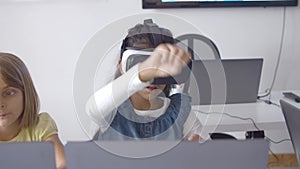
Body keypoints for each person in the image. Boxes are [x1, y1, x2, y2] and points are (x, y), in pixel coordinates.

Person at [86, 19, 201, 141]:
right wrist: (143, 72)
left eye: (161, 68)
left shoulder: (180, 113)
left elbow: (208, 149)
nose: (152, 78)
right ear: (121, 66)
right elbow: (93, 108)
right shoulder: (111, 111)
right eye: (141, 63)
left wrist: (197, 150)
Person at [0, 53, 66, 169]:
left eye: (9, 93)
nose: (1, 104)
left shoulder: (40, 126)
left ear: (26, 93)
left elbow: (62, 164)